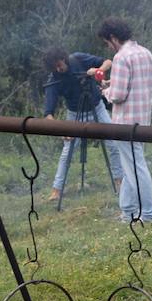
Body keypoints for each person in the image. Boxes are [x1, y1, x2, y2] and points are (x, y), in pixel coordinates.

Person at [98, 17, 152, 221]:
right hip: (142, 119)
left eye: (107, 42)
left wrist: (106, 91)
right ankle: (128, 211)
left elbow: (118, 95)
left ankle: (149, 214)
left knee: (136, 167)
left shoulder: (121, 58)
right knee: (130, 166)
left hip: (125, 123)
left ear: (113, 38)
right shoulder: (145, 52)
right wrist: (112, 84)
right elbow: (147, 83)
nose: (108, 46)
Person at [42, 47, 123, 202]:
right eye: (55, 67)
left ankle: (119, 180)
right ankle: (57, 189)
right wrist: (60, 130)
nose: (59, 69)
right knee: (68, 151)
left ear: (63, 58)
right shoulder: (54, 78)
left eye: (59, 64)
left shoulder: (78, 59)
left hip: (97, 108)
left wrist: (98, 70)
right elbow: (48, 114)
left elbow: (108, 62)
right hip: (74, 115)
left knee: (113, 143)